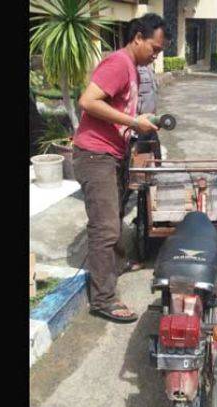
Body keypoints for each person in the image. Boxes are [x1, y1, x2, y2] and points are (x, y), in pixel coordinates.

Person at [72, 13, 168, 323]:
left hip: (113, 153)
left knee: (113, 217)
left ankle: (113, 266)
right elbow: (87, 101)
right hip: (94, 155)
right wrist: (132, 122)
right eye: (154, 48)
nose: (155, 56)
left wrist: (145, 122)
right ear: (138, 37)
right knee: (105, 228)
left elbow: (121, 107)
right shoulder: (118, 63)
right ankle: (103, 299)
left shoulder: (134, 68)